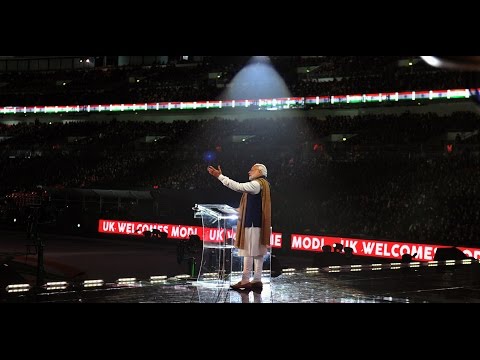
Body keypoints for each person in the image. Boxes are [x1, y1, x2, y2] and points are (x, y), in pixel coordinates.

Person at [207, 163, 271, 291]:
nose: (249, 172)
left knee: (248, 251)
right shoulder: (264, 184)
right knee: (258, 252)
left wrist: (220, 176)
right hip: (257, 223)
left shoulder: (256, 184)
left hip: (252, 223)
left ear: (259, 171)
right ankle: (257, 279)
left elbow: (237, 186)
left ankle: (245, 280)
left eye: (251, 170)